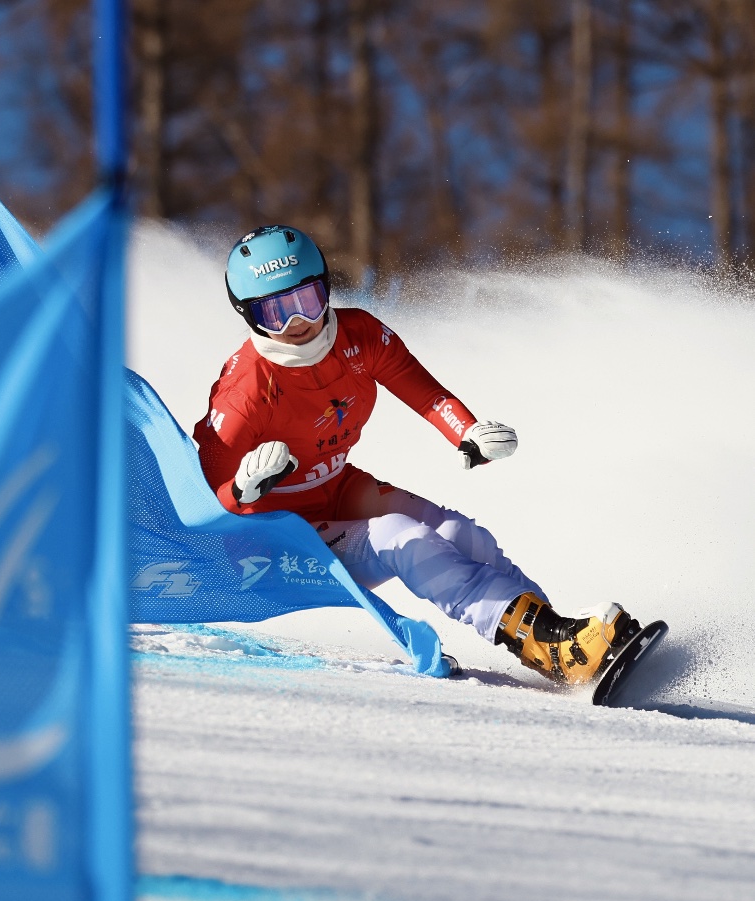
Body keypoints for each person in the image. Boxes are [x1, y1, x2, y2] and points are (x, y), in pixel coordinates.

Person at [193, 225, 641, 684]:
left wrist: (467, 431)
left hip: (335, 487)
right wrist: (241, 489)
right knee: (404, 539)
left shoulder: (359, 335)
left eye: (307, 299)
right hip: (276, 537)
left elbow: (426, 394)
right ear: (248, 314)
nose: (297, 323)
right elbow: (199, 508)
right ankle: (553, 647)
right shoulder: (245, 390)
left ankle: (554, 637)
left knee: (460, 533)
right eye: (275, 312)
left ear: (325, 287)